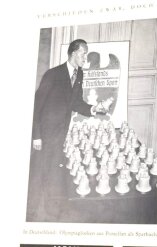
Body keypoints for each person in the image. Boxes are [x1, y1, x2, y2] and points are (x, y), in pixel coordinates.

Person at [28, 39, 107, 221]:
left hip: (61, 132)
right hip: (45, 133)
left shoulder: (79, 75)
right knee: (38, 171)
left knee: (53, 170)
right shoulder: (53, 74)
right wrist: (37, 135)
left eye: (86, 54)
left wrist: (94, 108)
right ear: (73, 53)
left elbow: (76, 102)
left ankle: (50, 211)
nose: (85, 58)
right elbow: (36, 105)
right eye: (83, 53)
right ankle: (29, 214)